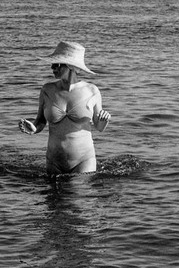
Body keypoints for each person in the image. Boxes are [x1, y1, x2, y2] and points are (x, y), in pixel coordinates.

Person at [19, 41, 111, 175]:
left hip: (83, 161)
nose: (52, 67)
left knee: (76, 188)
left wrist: (104, 121)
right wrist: (33, 128)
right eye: (52, 64)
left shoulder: (92, 91)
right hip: (53, 162)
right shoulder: (47, 90)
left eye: (56, 64)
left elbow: (99, 127)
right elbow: (40, 121)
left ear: (70, 66)